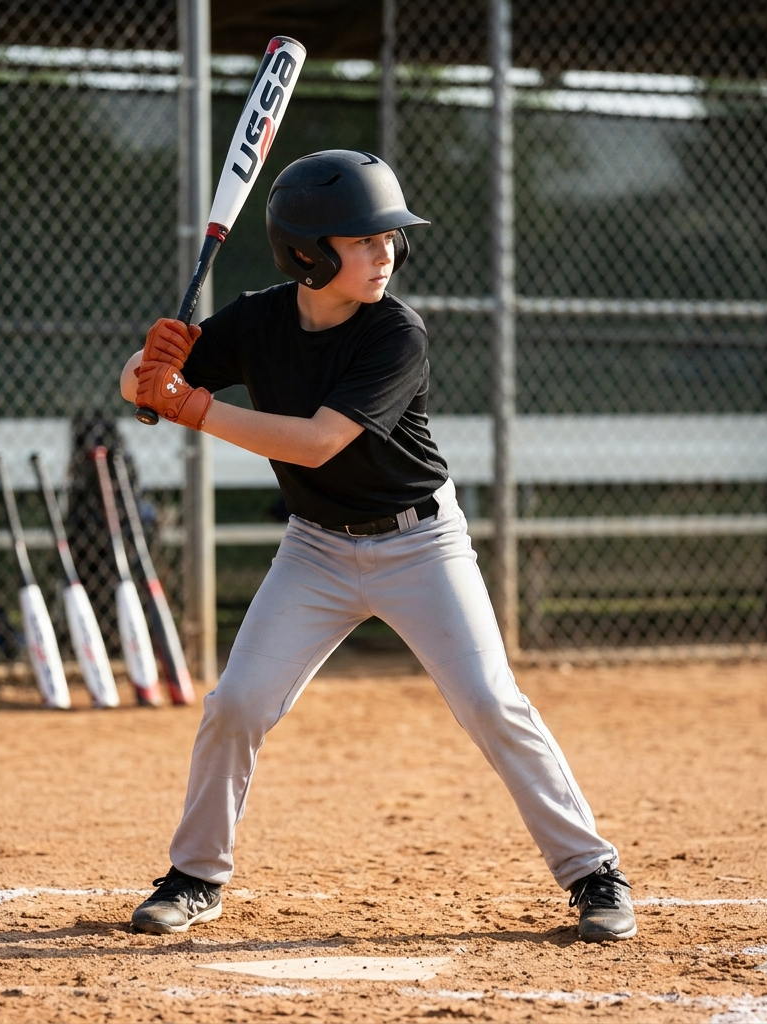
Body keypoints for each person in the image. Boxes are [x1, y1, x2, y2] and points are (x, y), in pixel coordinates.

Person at [119, 150, 636, 944]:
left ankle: (594, 872)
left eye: (389, 236)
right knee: (237, 704)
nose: (385, 252)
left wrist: (193, 408)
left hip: (421, 543)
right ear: (308, 254)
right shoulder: (257, 321)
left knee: (491, 702)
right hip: (316, 551)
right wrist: (146, 365)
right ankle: (195, 875)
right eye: (362, 239)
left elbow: (317, 442)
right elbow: (144, 387)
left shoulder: (396, 332)